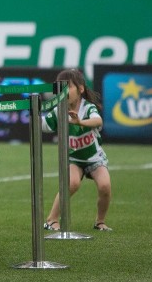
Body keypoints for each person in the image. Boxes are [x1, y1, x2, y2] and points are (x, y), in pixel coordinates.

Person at [43, 68, 113, 233]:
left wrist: (80, 122)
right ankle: (51, 220)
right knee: (72, 183)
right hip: (74, 158)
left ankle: (100, 222)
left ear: (81, 89)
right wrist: (33, 117)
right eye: (60, 87)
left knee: (105, 186)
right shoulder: (58, 110)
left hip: (95, 157)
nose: (64, 91)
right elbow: (44, 126)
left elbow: (98, 120)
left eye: (68, 87)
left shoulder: (88, 108)